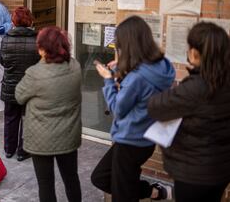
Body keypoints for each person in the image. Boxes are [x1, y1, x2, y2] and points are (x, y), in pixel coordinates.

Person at [90, 16, 175, 202]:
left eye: (120, 46)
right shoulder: (161, 65)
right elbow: (142, 86)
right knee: (100, 177)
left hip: (130, 141)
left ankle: (153, 192)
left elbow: (117, 108)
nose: (119, 50)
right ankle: (153, 192)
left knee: (122, 195)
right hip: (144, 139)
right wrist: (122, 68)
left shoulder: (137, 78)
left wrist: (108, 79)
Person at [148, 22, 230, 202]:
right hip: (222, 169)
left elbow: (156, 107)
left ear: (195, 52)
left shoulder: (197, 87)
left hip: (195, 173)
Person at [15, 26, 82, 202]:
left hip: (41, 139)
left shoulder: (35, 73)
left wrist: (41, 62)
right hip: (68, 135)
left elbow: (19, 96)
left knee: (46, 184)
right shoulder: (75, 66)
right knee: (71, 178)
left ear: (44, 49)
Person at [0, 7, 40, 161]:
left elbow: (2, 61)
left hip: (10, 85)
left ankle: (9, 150)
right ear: (30, 20)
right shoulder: (37, 39)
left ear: (14, 21)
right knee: (28, 118)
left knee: (10, 118)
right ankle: (23, 151)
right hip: (30, 86)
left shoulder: (6, 38)